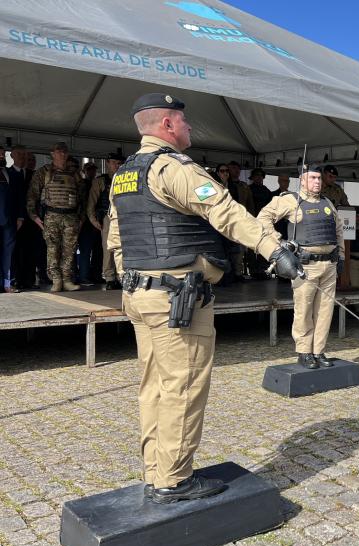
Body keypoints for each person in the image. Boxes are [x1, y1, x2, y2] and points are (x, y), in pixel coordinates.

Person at [108, 93, 300, 504]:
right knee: (184, 385)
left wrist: (133, 280)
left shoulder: (124, 174)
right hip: (178, 299)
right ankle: (174, 480)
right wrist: (275, 250)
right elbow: (226, 212)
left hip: (141, 295)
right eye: (185, 122)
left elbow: (117, 238)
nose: (190, 128)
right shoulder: (174, 168)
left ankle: (155, 470)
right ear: (167, 125)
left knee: (154, 386)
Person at [257, 165, 344, 369]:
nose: (317, 182)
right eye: (312, 178)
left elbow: (338, 229)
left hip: (329, 264)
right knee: (304, 310)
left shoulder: (327, 202)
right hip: (306, 266)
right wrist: (279, 243)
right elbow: (263, 218)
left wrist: (341, 256)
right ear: (302, 180)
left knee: (325, 311)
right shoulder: (290, 200)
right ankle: (304, 351)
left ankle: (319, 350)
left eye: (319, 178)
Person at [27, 142, 83, 292]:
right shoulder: (43, 172)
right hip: (51, 216)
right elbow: (32, 196)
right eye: (59, 152)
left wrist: (81, 218)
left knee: (69, 250)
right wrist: (35, 217)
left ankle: (66, 279)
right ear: (52, 154)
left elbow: (83, 197)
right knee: (52, 249)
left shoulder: (75, 174)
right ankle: (56, 280)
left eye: (64, 152)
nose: (62, 154)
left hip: (71, 217)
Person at [86, 153, 126, 289]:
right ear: (108, 163)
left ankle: (122, 277)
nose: (117, 165)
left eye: (119, 163)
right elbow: (91, 203)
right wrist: (93, 220)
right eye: (114, 162)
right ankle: (109, 278)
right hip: (108, 218)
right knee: (109, 249)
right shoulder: (100, 181)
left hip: (125, 217)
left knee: (124, 249)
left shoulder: (126, 179)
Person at [9, 145, 40, 290]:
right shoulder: (6, 173)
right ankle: (16, 279)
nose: (23, 157)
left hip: (32, 220)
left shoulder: (33, 174)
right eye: (19, 154)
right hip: (14, 220)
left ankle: (30, 280)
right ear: (12, 156)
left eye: (24, 154)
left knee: (31, 250)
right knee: (15, 251)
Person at [0, 153, 24, 293]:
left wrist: (20, 217)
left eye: (3, 154)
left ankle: (8, 284)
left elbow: (19, 196)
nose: (2, 157)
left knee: (9, 252)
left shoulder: (12, 174)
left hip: (9, 220)